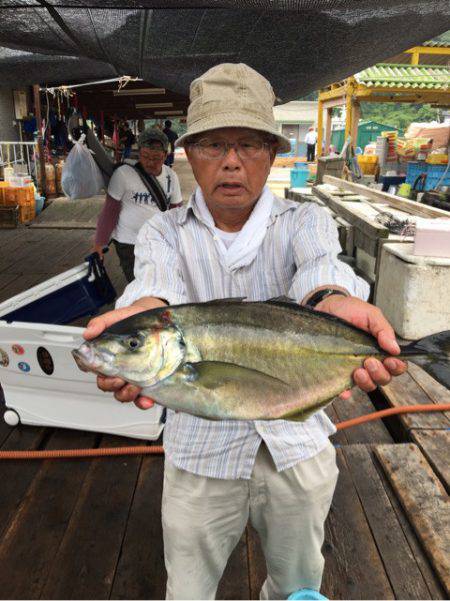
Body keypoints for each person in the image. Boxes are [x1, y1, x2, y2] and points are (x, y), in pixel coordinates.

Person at [85, 63, 406, 600]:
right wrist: (137, 317)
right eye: (213, 145)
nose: (231, 161)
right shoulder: (164, 229)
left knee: (297, 586)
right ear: (188, 153)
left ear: (273, 153)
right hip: (199, 456)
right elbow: (156, 287)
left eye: (250, 144)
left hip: (297, 450)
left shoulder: (304, 221)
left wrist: (334, 299)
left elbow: (319, 268)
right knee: (188, 590)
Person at [93, 127, 182, 283]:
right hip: (128, 242)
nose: (150, 162)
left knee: (160, 280)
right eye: (145, 156)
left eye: (156, 158)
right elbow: (109, 212)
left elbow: (176, 211)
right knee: (138, 283)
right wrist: (99, 243)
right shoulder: (123, 174)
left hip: (159, 241)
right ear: (139, 152)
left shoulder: (171, 177)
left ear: (166, 155)